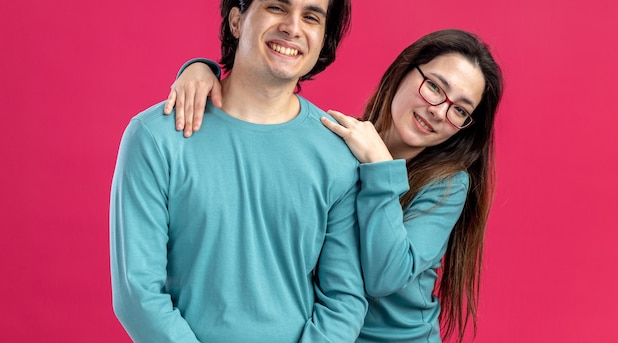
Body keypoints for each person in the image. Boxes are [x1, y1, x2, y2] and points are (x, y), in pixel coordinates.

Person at [164, 28, 504, 342]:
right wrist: (201, 70)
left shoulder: (448, 184)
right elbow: (262, 129)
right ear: (405, 70)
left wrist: (381, 167)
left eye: (459, 109)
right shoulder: (338, 143)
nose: (438, 111)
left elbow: (385, 276)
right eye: (434, 87)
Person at [110, 0, 368, 343]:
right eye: (277, 7)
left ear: (322, 43)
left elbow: (344, 300)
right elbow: (136, 293)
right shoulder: (156, 136)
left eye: (311, 17)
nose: (292, 27)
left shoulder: (338, 151)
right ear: (236, 20)